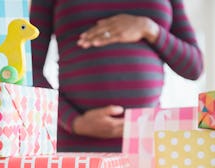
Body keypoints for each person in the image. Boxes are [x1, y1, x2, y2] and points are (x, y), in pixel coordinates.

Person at [30, 0, 203, 152]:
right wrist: (74, 121)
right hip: (75, 142)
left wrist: (149, 29)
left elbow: (194, 67)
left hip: (148, 140)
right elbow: (29, 68)